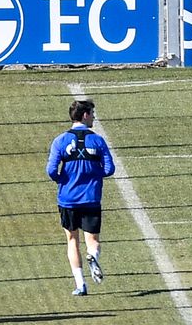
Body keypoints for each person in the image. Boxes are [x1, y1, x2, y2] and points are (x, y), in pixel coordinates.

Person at [46, 99, 116, 296]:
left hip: (67, 199)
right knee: (92, 240)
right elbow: (110, 169)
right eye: (92, 113)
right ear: (85, 115)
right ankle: (92, 256)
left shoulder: (59, 141)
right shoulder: (98, 140)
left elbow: (51, 170)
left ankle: (80, 285)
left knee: (72, 240)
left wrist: (62, 180)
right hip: (91, 198)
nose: (94, 117)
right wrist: (94, 175)